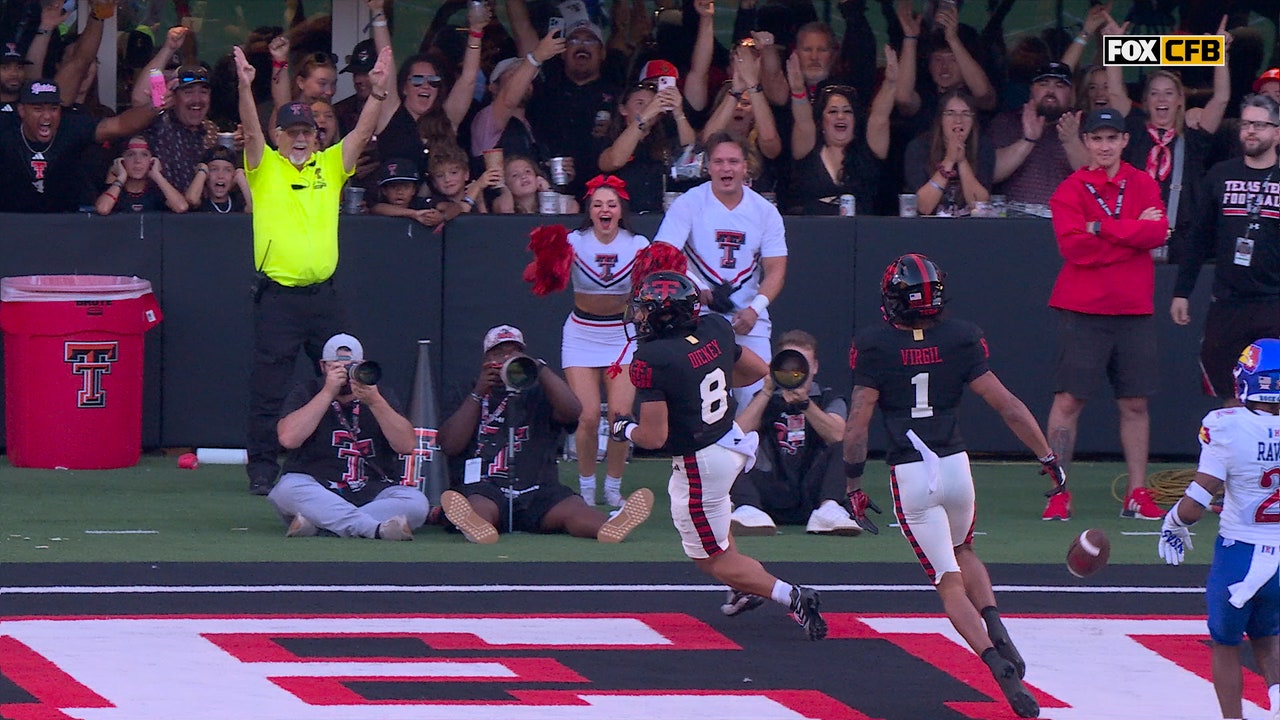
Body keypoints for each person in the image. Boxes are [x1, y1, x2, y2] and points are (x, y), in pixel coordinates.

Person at [843, 253, 1065, 719]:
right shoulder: (961, 337)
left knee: (947, 583)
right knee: (965, 550)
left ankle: (995, 666)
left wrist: (853, 483)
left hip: (910, 472)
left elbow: (858, 424)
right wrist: (1047, 455)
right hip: (955, 465)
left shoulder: (875, 345)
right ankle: (996, 624)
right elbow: (1008, 406)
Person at [611, 271, 827, 640]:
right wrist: (700, 381)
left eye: (646, 311)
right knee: (716, 528)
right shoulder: (713, 327)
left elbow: (654, 436)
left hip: (700, 463)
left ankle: (790, 596)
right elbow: (757, 371)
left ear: (665, 317)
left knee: (710, 558)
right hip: (730, 440)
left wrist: (621, 429)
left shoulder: (652, 358)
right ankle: (745, 588)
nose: (639, 318)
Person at [235, 43, 392, 495]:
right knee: (268, 389)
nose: (301, 138)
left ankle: (348, 456)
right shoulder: (265, 168)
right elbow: (248, 133)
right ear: (279, 136)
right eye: (292, 132)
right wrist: (246, 86)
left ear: (317, 136)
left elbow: (361, 134)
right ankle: (262, 467)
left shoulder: (329, 165)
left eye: (307, 131)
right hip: (279, 297)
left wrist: (378, 95)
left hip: (324, 297)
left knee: (345, 377)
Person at [1044, 107, 1169, 521]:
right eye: (1096, 138)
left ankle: (1137, 491)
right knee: (1068, 401)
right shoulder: (1071, 188)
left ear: (1124, 141)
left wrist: (1100, 227)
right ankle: (1059, 492)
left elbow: (1157, 233)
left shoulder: (1142, 182)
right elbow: (1072, 247)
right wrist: (1129, 231)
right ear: (1086, 142)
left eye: (1111, 138)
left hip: (1133, 308)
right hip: (1084, 309)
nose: (1103, 146)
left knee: (1134, 403)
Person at [436, 325, 654, 544]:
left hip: (538, 489)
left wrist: (539, 369)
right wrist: (478, 393)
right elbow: (450, 445)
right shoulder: (467, 391)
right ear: (485, 360)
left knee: (574, 509)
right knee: (479, 505)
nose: (506, 359)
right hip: (487, 487)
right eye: (498, 353)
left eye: (514, 353)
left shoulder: (541, 391)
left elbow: (573, 411)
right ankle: (476, 525)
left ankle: (609, 526)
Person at [1157, 338, 1280, 720]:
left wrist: (1174, 521)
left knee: (1225, 643)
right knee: (1270, 640)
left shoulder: (1225, 426)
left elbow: (1196, 500)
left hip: (1239, 554)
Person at [525, 175, 651, 506]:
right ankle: (585, 487)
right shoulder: (572, 242)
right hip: (582, 333)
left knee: (621, 417)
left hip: (622, 336)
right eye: (598, 204)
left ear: (621, 210)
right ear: (590, 210)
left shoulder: (637, 245)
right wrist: (545, 260)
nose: (605, 210)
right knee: (588, 415)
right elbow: (542, 276)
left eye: (611, 204)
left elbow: (654, 286)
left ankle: (612, 487)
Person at [653, 132, 787, 405]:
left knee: (757, 397)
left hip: (748, 320)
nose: (726, 168)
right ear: (707, 166)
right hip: (697, 316)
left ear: (745, 166)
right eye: (719, 161)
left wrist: (755, 309)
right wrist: (700, 289)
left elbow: (776, 269)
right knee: (699, 400)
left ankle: (747, 449)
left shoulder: (765, 211)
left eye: (734, 161)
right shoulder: (689, 203)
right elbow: (663, 254)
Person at [267, 333, 428, 540]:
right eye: (336, 366)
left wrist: (375, 402)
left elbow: (406, 445)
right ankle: (374, 529)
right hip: (319, 488)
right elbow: (288, 438)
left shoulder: (380, 395)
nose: (344, 372)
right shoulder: (307, 391)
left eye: (351, 366)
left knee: (416, 502)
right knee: (286, 489)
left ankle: (320, 524)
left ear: (362, 366)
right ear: (323, 366)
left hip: (372, 491)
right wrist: (327, 392)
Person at [1173, 94, 1280, 404]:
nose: (1251, 131)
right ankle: (1236, 451)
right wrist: (1182, 291)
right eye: (1246, 123)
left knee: (1272, 394)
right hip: (1227, 302)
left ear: (1276, 132)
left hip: (1273, 301)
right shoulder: (1220, 174)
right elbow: (1198, 237)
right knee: (1230, 390)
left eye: (1260, 125)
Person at [730, 329, 862, 536]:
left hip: (814, 491)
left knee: (846, 442)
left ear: (815, 367)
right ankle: (748, 508)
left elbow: (838, 436)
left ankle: (829, 510)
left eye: (802, 366)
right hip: (769, 491)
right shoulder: (765, 398)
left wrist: (805, 404)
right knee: (731, 447)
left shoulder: (828, 398)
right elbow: (736, 434)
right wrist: (766, 392)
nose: (795, 372)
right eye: (788, 365)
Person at [0, 78, 159, 213]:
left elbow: (120, 124)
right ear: (21, 110)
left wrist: (155, 105)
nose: (47, 115)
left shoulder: (72, 125)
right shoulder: (6, 128)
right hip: (10, 223)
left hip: (66, 221)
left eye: (54, 108)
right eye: (38, 109)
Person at [785, 47, 895, 216]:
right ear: (822, 122)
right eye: (833, 111)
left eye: (847, 111)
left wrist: (890, 83)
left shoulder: (869, 149)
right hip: (813, 233)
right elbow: (803, 122)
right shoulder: (807, 149)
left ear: (855, 120)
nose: (840, 116)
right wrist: (798, 90)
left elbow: (880, 117)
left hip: (862, 235)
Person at [990, 62, 1088, 208]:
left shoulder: (1083, 123)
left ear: (1071, 93)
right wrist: (1028, 139)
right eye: (1043, 84)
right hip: (1013, 222)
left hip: (1068, 220)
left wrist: (1071, 141)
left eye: (1059, 86)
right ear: (1031, 90)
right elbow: (992, 174)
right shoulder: (1007, 121)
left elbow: (1098, 179)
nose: (1050, 91)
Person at [904, 89, 994, 216]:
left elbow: (980, 207)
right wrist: (949, 160)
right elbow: (924, 207)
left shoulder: (983, 146)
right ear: (940, 119)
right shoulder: (919, 147)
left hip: (971, 229)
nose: (958, 120)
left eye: (966, 114)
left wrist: (962, 161)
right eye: (950, 113)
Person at [94, 135, 189, 214]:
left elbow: (181, 207)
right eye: (131, 154)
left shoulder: (159, 192)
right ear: (122, 161)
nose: (137, 161)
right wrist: (121, 178)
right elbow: (103, 209)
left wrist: (157, 176)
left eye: (144, 155)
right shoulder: (113, 190)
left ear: (152, 161)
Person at [185, 145, 251, 213]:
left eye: (227, 170)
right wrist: (202, 170)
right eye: (214, 169)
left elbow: (254, 208)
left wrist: (241, 178)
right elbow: (192, 199)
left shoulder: (237, 203)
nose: (220, 176)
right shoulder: (202, 202)